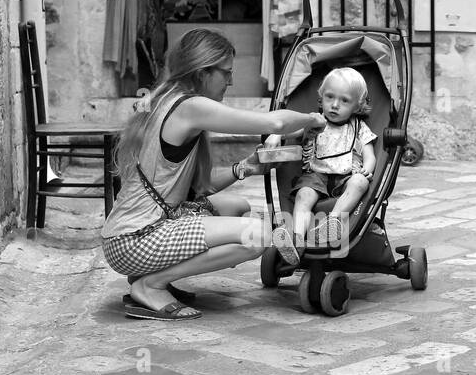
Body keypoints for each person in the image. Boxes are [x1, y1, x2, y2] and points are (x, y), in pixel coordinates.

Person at [102, 28, 325, 320]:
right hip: (135, 240)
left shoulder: (167, 98)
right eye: (226, 73)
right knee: (255, 235)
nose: (230, 82)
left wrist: (244, 168)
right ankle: (150, 285)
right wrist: (312, 118)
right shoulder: (191, 107)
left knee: (238, 207)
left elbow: (199, 186)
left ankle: (152, 277)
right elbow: (274, 123)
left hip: (129, 231)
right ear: (202, 71)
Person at [266, 66, 376, 261]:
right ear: (321, 98)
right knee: (303, 195)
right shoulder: (316, 122)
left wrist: (366, 171)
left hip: (346, 176)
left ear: (357, 107)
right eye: (329, 97)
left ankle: (333, 223)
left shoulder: (359, 127)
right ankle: (296, 240)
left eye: (344, 101)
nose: (335, 105)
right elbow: (292, 131)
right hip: (316, 175)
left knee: (360, 182)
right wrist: (276, 135)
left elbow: (370, 156)